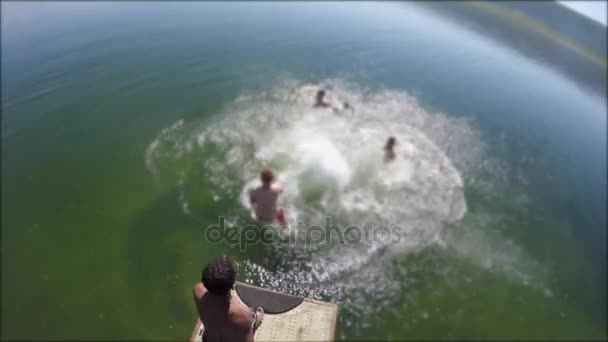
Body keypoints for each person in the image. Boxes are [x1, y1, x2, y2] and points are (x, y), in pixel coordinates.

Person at [193, 256, 264, 342]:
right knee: (249, 318)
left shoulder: (198, 291)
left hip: (209, 338)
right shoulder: (242, 314)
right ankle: (254, 319)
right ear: (232, 285)